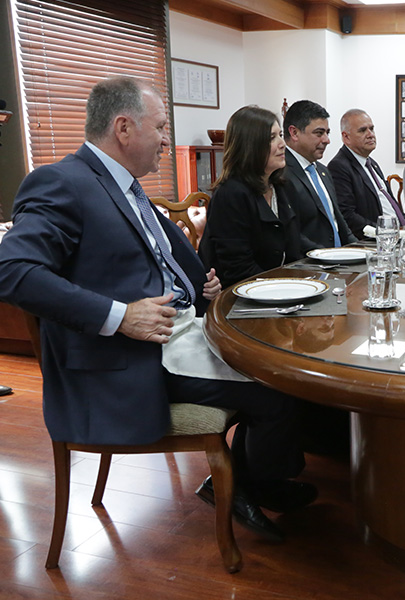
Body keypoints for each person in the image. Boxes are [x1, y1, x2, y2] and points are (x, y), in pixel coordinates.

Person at [0, 77, 315, 543]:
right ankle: (247, 485)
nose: (167, 140)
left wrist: (198, 286)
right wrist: (120, 316)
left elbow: (155, 264)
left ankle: (254, 479)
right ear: (123, 128)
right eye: (161, 127)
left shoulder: (125, 186)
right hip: (129, 357)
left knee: (284, 366)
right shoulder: (62, 182)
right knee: (277, 385)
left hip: (179, 332)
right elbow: (12, 271)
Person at [198, 106, 302, 289]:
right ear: (250, 145)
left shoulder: (279, 186)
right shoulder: (231, 194)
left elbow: (293, 248)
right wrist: (285, 288)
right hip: (242, 295)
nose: (282, 144)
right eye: (272, 138)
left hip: (280, 287)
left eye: (280, 135)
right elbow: (238, 269)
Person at [282, 100, 357, 249]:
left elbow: (339, 222)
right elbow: (291, 233)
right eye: (319, 133)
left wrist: (362, 251)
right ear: (294, 133)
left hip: (338, 258)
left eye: (327, 133)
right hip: (310, 260)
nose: (326, 140)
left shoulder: (323, 171)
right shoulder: (281, 173)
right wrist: (327, 256)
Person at [327, 109, 405, 239]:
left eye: (372, 129)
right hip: (373, 240)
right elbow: (347, 215)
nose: (370, 134)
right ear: (346, 137)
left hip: (398, 233)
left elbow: (389, 202)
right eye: (362, 130)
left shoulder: (371, 163)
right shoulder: (339, 166)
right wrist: (383, 231)